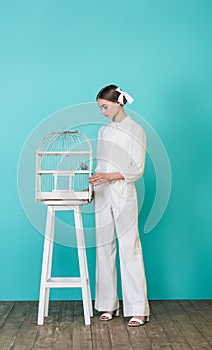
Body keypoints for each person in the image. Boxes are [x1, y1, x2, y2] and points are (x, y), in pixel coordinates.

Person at [89, 84, 150, 327]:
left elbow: (137, 169)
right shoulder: (104, 131)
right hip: (102, 192)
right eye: (100, 107)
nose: (102, 111)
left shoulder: (136, 130)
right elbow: (102, 164)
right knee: (104, 246)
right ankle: (107, 305)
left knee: (129, 246)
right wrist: (94, 181)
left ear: (118, 103)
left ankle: (138, 309)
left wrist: (109, 176)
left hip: (123, 192)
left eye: (105, 106)